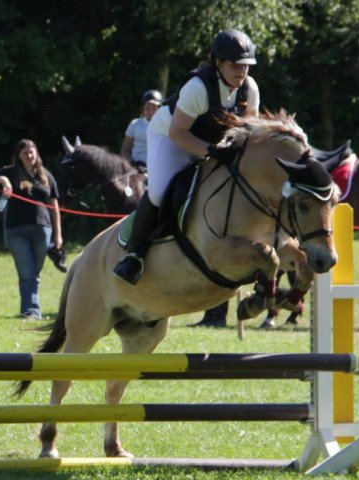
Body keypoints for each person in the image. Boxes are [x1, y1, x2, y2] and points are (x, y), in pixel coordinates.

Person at [113, 28, 260, 328]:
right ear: (218, 63)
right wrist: (210, 152)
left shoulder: (250, 89)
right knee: (159, 192)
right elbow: (178, 132)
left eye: (246, 66)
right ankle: (135, 255)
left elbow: (249, 131)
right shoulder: (197, 87)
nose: (241, 72)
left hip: (213, 144)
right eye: (235, 65)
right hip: (171, 136)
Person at [0, 139, 63, 320]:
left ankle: (30, 310)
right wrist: (2, 180)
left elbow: (54, 207)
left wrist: (58, 235)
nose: (30, 155)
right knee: (27, 272)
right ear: (19, 155)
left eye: (32, 151)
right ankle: (31, 312)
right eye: (25, 152)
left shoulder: (46, 176)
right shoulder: (10, 172)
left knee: (34, 272)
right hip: (16, 230)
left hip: (43, 229)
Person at [120, 90, 163, 171]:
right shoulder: (135, 124)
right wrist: (130, 165)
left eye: (154, 108)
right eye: (147, 108)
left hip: (156, 168)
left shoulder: (165, 125)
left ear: (159, 109)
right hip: (135, 166)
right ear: (143, 108)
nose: (150, 111)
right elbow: (126, 149)